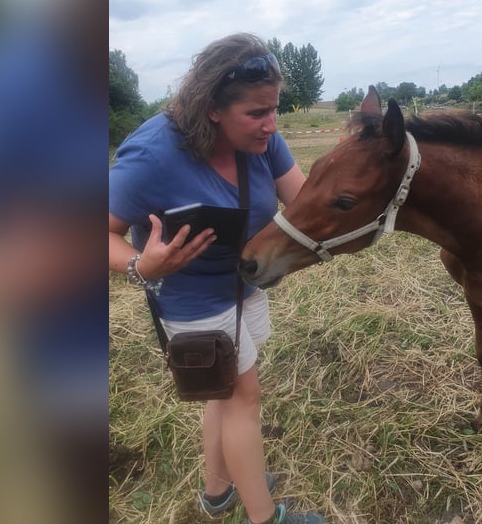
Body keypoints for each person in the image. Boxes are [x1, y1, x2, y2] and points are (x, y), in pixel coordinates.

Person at [108, 33, 323, 524]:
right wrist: (143, 265)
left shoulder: (263, 139)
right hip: (189, 297)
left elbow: (305, 203)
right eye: (256, 113)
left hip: (242, 282)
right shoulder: (152, 155)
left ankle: (218, 492)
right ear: (212, 109)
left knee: (223, 392)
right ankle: (265, 518)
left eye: (274, 110)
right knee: (243, 398)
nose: (271, 125)